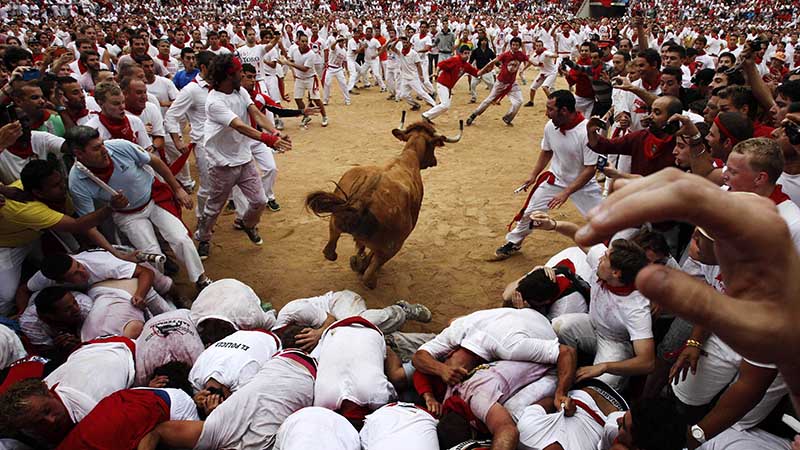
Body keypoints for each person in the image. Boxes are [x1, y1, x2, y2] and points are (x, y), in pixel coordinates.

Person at [65, 126, 211, 291]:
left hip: (154, 199)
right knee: (152, 254)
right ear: (79, 153)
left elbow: (154, 161)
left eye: (102, 144)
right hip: (127, 215)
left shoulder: (119, 146)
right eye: (96, 148)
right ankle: (165, 289)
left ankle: (201, 279)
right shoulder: (76, 181)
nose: (104, 150)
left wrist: (177, 189)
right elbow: (88, 225)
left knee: (180, 239)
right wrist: (114, 252)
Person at [530, 212, 654, 390]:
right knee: (559, 325)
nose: (600, 258)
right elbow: (577, 233)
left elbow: (647, 362)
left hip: (615, 343)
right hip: (591, 324)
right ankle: (568, 364)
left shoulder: (635, 307)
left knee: (601, 385)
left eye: (605, 258)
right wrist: (553, 224)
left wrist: (604, 367)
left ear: (616, 273)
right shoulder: (606, 266)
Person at [195, 54, 290, 258]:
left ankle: (247, 224)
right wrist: (269, 139)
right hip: (222, 163)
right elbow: (239, 125)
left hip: (243, 157)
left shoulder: (240, 92)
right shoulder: (214, 102)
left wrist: (274, 131)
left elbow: (255, 113)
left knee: (259, 201)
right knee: (214, 208)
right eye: (239, 72)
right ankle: (203, 237)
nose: (243, 74)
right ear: (230, 75)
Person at [136, 349, 317, 450]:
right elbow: (157, 432)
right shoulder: (216, 427)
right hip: (306, 372)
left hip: (285, 363)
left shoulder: (215, 428)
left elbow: (158, 431)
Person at [496, 90, 602, 258]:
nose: (546, 113)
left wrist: (566, 192)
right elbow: (546, 151)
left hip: (583, 185)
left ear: (565, 111)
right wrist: (533, 175)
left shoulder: (586, 132)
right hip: (556, 179)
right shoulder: (551, 127)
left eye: (550, 109)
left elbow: (590, 169)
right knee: (529, 213)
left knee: (602, 221)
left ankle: (612, 253)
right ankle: (514, 242)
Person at [466, 36, 528, 127]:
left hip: (512, 83)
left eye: (517, 45)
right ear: (510, 45)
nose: (515, 47)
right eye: (513, 45)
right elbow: (492, 62)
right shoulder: (505, 54)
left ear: (519, 46)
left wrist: (538, 64)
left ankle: (508, 118)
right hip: (500, 83)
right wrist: (482, 70)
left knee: (519, 101)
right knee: (488, 100)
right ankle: (474, 115)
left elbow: (529, 60)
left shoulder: (520, 55)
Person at [421, 45, 478, 122]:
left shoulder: (466, 65)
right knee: (444, 105)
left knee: (446, 106)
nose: (467, 55)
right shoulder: (455, 60)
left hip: (448, 87)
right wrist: (436, 72)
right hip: (442, 83)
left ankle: (428, 117)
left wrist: (487, 69)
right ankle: (426, 115)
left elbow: (477, 73)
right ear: (460, 53)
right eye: (465, 53)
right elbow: (440, 64)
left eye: (468, 53)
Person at [281, 34, 328, 128]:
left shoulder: (311, 54)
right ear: (298, 41)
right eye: (302, 41)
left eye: (306, 41)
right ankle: (306, 116)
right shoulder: (294, 50)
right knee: (297, 99)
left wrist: (289, 63)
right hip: (299, 79)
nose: (305, 43)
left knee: (316, 99)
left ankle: (324, 116)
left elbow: (305, 69)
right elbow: (291, 58)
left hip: (310, 78)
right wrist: (286, 60)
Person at [524, 40, 559, 108]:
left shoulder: (545, 53)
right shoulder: (534, 54)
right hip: (543, 73)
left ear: (542, 46)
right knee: (532, 88)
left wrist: (555, 55)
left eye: (540, 46)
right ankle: (531, 102)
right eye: (537, 46)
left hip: (552, 73)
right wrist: (523, 69)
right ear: (535, 46)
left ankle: (553, 103)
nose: (538, 47)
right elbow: (531, 62)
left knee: (544, 87)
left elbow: (553, 55)